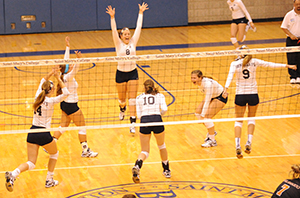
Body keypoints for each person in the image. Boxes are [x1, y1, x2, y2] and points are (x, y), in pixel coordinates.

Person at [223, 46, 297, 159]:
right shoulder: (254, 61)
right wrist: (287, 65)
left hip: (240, 95)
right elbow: (270, 64)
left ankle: (237, 144)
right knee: (251, 119)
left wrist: (226, 89)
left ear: (240, 54)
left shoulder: (234, 64)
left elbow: (229, 77)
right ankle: (249, 142)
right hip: (253, 95)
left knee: (238, 121)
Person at [5, 66, 70, 192]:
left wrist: (51, 72)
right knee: (54, 153)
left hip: (32, 132)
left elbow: (42, 80)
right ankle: (49, 180)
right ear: (50, 91)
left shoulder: (37, 97)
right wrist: (57, 77)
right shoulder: (51, 101)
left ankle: (13, 174)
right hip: (43, 133)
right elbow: (66, 93)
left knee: (31, 163)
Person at [106, 2, 149, 134]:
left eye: (128, 33)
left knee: (132, 98)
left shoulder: (133, 42)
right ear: (120, 36)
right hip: (120, 73)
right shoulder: (118, 43)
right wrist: (112, 17)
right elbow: (113, 30)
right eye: (125, 33)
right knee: (122, 99)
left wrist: (140, 13)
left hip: (132, 73)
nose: (127, 35)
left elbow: (139, 27)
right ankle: (122, 108)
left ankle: (132, 122)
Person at [52, 37, 98, 158]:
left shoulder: (63, 74)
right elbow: (75, 68)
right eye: (70, 64)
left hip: (64, 104)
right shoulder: (68, 77)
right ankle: (85, 150)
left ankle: (50, 145)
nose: (71, 64)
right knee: (82, 127)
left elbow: (65, 61)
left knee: (63, 126)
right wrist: (79, 60)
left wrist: (67, 46)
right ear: (68, 68)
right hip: (71, 105)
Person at [132, 79, 170, 183]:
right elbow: (165, 109)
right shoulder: (160, 96)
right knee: (161, 145)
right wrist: (159, 114)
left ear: (144, 88)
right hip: (157, 120)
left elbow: (139, 115)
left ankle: (137, 164)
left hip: (145, 121)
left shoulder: (139, 98)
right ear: (153, 87)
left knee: (145, 150)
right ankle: (166, 170)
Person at [191, 70, 228, 148]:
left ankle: (212, 141)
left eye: (194, 78)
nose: (192, 80)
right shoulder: (200, 83)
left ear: (200, 77)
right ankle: (212, 132)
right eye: (191, 78)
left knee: (206, 117)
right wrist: (201, 116)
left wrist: (203, 115)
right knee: (197, 113)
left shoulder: (207, 85)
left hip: (220, 97)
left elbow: (207, 101)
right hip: (212, 95)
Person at [281, 0, 300, 84]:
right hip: (291, 40)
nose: (298, 6)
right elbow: (283, 27)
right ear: (294, 5)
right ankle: (293, 76)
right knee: (291, 58)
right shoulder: (289, 15)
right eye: (297, 4)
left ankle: (299, 76)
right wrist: (291, 35)